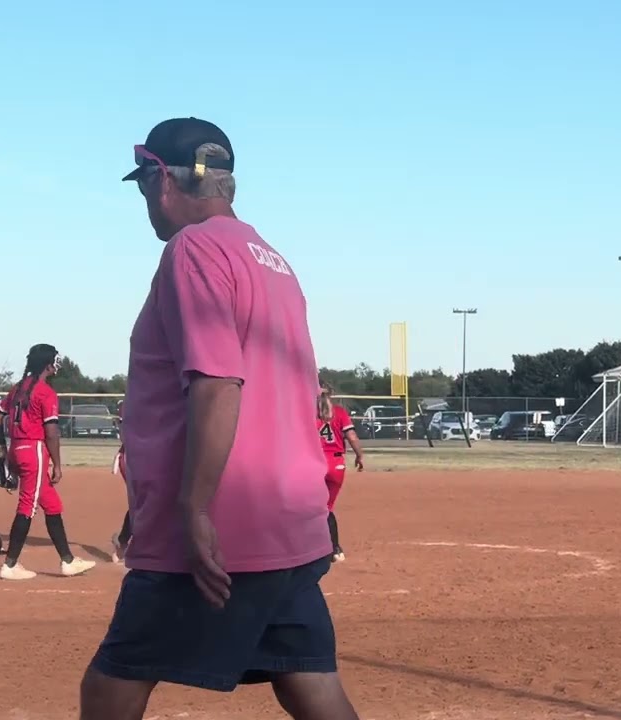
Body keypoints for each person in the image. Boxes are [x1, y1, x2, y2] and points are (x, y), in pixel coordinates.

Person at [80, 117, 359, 720]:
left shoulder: (194, 248)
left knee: (112, 686)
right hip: (288, 522)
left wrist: (195, 508)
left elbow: (216, 382)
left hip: (220, 529)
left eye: (143, 186)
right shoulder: (273, 260)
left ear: (162, 181)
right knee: (309, 681)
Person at [0, 344, 97, 580]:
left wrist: (1, 449)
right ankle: (10, 564)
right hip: (34, 450)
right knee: (27, 506)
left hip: (17, 448)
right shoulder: (45, 392)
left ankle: (67, 560)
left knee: (52, 505)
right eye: (55, 360)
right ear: (48, 364)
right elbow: (51, 433)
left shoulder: (18, 388)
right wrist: (57, 465)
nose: (57, 364)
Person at [317, 384, 364, 562]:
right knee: (327, 507)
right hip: (336, 464)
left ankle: (316, 547)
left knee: (310, 507)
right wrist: (359, 456)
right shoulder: (339, 412)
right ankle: (335, 549)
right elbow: (351, 437)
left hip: (315, 462)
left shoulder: (309, 412)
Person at [111, 399, 132, 564]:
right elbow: (126, 434)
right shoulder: (131, 402)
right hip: (133, 457)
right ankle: (122, 542)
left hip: (149, 457)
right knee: (142, 502)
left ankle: (123, 542)